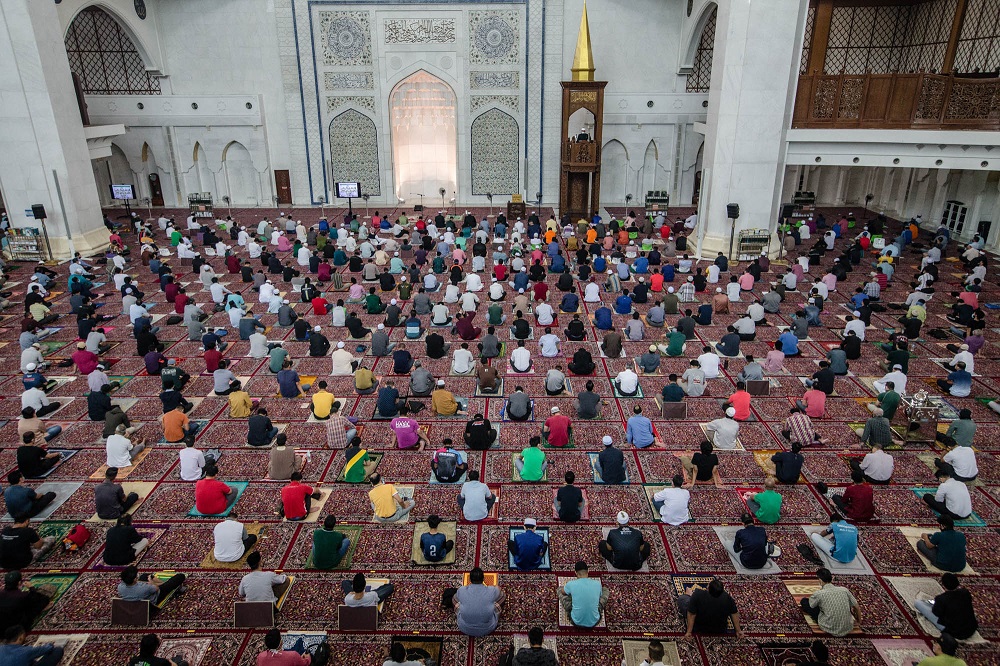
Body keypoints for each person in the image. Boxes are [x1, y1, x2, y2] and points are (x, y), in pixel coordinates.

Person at [915, 573, 979, 640]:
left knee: (918, 603)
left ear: (944, 585)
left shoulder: (942, 599)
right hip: (971, 628)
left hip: (953, 631)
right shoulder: (965, 593)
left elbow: (936, 613)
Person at [800, 568, 860, 637]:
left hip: (829, 627)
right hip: (847, 627)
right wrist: (859, 622)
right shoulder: (844, 590)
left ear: (820, 580)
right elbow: (857, 607)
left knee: (805, 602)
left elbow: (812, 605)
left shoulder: (819, 594)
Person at [453, 567, 504, 637]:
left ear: (469, 579)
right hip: (488, 628)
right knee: (502, 595)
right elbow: (499, 590)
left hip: (464, 627)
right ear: (483, 579)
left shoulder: (462, 590)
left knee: (455, 598)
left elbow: (456, 597)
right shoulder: (491, 590)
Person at [559, 561, 608, 628]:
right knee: (605, 590)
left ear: (575, 573)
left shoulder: (571, 584)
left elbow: (562, 592)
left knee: (559, 590)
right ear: (588, 571)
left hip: (576, 621)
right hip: (594, 621)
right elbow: (600, 595)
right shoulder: (597, 584)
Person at [118, 565, 187, 607]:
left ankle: (163, 582)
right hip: (155, 596)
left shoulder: (120, 587)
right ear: (134, 579)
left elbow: (139, 583)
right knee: (180, 576)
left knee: (144, 576)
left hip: (138, 597)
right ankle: (166, 583)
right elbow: (156, 588)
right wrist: (151, 582)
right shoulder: (145, 588)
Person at [0, 625, 64, 666]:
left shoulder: (1, 648)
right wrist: (50, 644)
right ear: (20, 638)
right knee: (58, 650)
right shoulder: (25, 651)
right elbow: (47, 649)